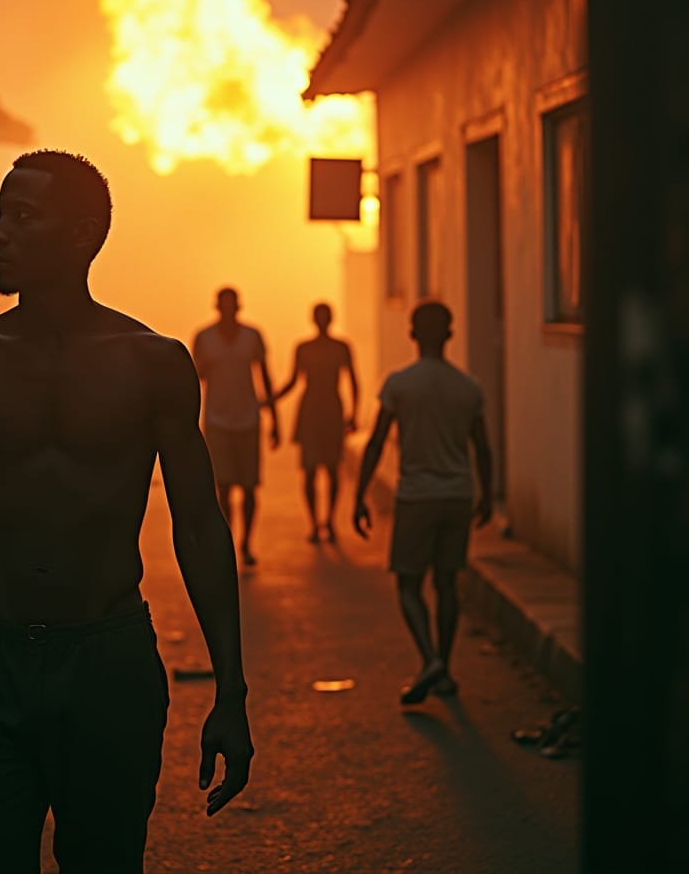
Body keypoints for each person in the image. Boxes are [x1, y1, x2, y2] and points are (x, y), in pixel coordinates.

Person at [0, 151, 253, 874]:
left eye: (20, 217)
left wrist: (232, 693)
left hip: (108, 662)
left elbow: (201, 528)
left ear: (83, 234)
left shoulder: (154, 363)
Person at [353, 301, 492, 705]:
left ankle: (430, 658)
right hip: (458, 494)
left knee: (409, 584)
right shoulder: (468, 387)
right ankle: (444, 669)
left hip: (417, 496)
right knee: (447, 582)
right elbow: (483, 448)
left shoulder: (399, 384)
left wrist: (360, 494)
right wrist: (486, 492)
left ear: (412, 334)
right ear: (450, 334)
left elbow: (376, 442)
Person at [192, 288, 279, 567]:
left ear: (238, 307)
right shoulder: (204, 339)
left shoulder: (252, 337)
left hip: (249, 419)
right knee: (224, 488)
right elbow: (196, 379)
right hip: (217, 420)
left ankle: (246, 542)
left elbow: (265, 377)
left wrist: (274, 417)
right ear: (217, 307)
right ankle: (228, 541)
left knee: (250, 487)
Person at [273, 302, 359, 543]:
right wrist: (271, 399)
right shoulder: (304, 348)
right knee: (310, 470)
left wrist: (353, 414)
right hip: (312, 409)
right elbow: (293, 380)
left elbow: (353, 380)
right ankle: (314, 522)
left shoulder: (341, 347)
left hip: (331, 408)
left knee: (332, 468)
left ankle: (329, 520)